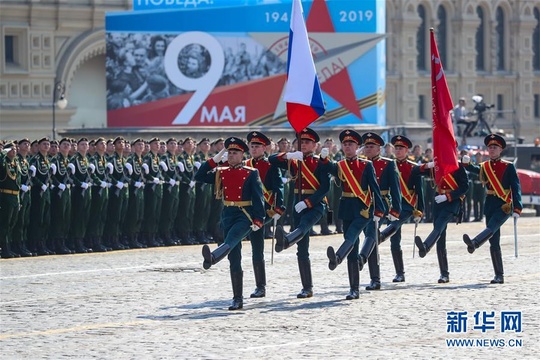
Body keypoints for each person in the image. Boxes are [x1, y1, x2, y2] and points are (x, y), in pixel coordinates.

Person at [196, 137, 264, 311]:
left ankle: (213, 257)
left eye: (235, 153)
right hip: (228, 214)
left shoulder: (251, 172)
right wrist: (216, 158)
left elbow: (258, 198)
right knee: (234, 257)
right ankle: (237, 299)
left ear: (242, 155)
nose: (232, 156)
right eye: (230, 152)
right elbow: (200, 175)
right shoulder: (221, 172)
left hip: (244, 215)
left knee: (232, 240)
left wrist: (258, 219)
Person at [270, 128, 331, 298]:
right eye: (301, 142)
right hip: (298, 203)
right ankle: (307, 287)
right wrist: (288, 155)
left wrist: (308, 202)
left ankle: (287, 240)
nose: (303, 145)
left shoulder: (321, 162)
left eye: (307, 142)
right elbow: (271, 159)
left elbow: (325, 187)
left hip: (316, 204)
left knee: (304, 226)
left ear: (314, 145)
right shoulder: (295, 160)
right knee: (302, 249)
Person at [324, 130, 385, 300]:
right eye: (345, 144)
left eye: (351, 144)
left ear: (357, 147)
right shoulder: (340, 165)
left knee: (351, 236)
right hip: (346, 208)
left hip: (363, 208)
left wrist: (379, 209)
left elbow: (375, 188)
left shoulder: (366, 165)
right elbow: (328, 168)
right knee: (352, 249)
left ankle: (337, 257)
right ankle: (354, 289)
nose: (347, 147)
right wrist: (323, 157)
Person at [462, 134, 522, 284]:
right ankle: (499, 275)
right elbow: (475, 169)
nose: (492, 150)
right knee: (494, 241)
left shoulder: (508, 166)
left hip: (504, 204)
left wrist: (518, 208)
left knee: (493, 226)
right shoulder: (485, 166)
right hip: (490, 203)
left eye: (495, 147)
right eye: (490, 147)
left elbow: (516, 187)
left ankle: (475, 242)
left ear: (501, 149)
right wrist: (466, 164)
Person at [414, 146, 469, 283]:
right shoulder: (437, 167)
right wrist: (428, 165)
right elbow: (415, 171)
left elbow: (464, 187)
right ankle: (444, 274)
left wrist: (448, 196)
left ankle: (426, 246)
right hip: (439, 202)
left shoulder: (458, 166)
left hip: (452, 202)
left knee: (439, 226)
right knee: (440, 237)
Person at [357, 132, 401, 290]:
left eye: (372, 147)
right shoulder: (359, 163)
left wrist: (396, 210)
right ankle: (375, 279)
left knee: (371, 234)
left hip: (381, 203)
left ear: (379, 149)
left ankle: (361, 258)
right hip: (364, 204)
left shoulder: (388, 164)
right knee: (372, 240)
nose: (368, 149)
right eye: (366, 146)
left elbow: (395, 188)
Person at [377, 135, 424, 283]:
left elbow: (419, 190)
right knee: (395, 240)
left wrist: (420, 211)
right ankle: (400, 272)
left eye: (401, 148)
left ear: (406, 150)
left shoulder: (413, 167)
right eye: (396, 148)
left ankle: (380, 237)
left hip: (407, 206)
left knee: (394, 225)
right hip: (391, 203)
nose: (398, 151)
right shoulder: (387, 164)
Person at [245, 131, 285, 298]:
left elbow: (278, 188)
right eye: (252, 146)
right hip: (248, 210)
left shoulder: (270, 165)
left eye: (257, 146)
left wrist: (278, 208)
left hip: (265, 210)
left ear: (264, 148)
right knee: (255, 247)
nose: (254, 149)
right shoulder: (245, 164)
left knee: (258, 248)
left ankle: (261, 286)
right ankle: (259, 285)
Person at [28, 137, 53, 255]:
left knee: (46, 219)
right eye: (44, 144)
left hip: (46, 192)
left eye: (48, 144)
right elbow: (32, 176)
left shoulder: (47, 160)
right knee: (38, 219)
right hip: (38, 192)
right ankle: (35, 244)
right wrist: (40, 184)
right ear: (38, 146)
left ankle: (42, 243)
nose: (47, 146)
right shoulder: (35, 159)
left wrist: (50, 184)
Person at [0, 142, 21, 258]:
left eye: (14, 149)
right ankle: (4, 248)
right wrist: (3, 152)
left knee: (12, 223)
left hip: (15, 196)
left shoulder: (15, 163)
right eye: (11, 149)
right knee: (5, 223)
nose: (14, 150)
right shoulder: (4, 163)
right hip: (6, 196)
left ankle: (8, 246)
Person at [471, 152, 486, 221]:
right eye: (477, 156)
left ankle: (481, 217)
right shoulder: (473, 165)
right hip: (475, 185)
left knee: (481, 201)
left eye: (479, 156)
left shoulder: (484, 166)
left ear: (482, 157)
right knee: (475, 201)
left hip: (481, 185)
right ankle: (476, 216)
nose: (478, 157)